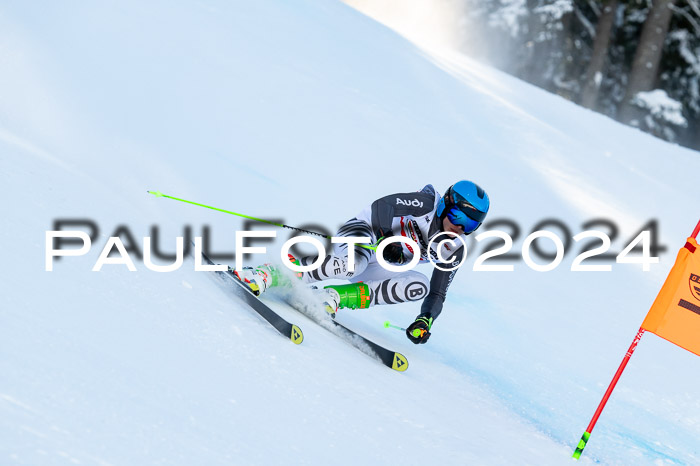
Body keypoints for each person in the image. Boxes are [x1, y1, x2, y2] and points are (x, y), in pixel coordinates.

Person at [233, 180, 490, 344]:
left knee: (418, 285)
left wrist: (426, 319)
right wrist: (388, 241)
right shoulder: (425, 204)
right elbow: (381, 207)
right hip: (365, 234)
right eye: (458, 216)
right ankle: (270, 274)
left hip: (387, 261)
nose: (459, 227)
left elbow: (437, 292)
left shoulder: (453, 248)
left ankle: (332, 297)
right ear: (446, 205)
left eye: (471, 224)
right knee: (351, 265)